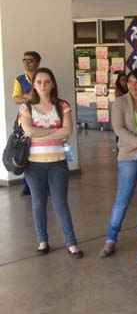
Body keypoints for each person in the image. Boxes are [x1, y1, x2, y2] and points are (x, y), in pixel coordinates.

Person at [19, 67, 83, 258]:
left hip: (58, 163)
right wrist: (55, 131)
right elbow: (29, 132)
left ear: (53, 83)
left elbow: (68, 131)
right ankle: (42, 241)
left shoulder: (62, 105)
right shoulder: (26, 107)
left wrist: (41, 131)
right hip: (33, 165)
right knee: (38, 203)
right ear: (34, 84)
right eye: (39, 82)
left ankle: (71, 243)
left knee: (60, 203)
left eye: (47, 81)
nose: (43, 85)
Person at [100, 70, 137, 258]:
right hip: (128, 154)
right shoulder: (120, 102)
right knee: (123, 197)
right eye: (130, 82)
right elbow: (118, 128)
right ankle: (111, 238)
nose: (133, 85)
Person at [13, 51, 42, 196]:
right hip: (26, 119)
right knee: (26, 151)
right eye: (24, 60)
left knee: (41, 150)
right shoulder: (19, 79)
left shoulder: (44, 77)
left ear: (38, 62)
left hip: (43, 118)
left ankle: (44, 185)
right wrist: (27, 97)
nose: (26, 63)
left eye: (30, 60)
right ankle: (27, 186)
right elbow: (16, 99)